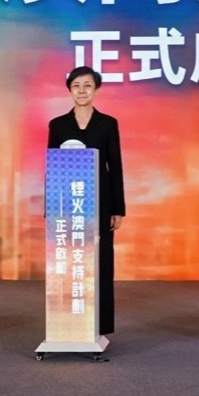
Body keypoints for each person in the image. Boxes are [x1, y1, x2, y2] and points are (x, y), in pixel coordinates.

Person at [48, 66, 125, 335]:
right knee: (68, 261)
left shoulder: (108, 123)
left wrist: (118, 209)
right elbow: (52, 167)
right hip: (67, 205)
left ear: (96, 90)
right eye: (76, 86)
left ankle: (99, 325)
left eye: (87, 85)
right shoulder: (58, 125)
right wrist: (51, 208)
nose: (82, 91)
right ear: (69, 90)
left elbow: (115, 167)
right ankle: (68, 322)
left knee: (100, 262)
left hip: (100, 201)